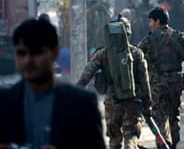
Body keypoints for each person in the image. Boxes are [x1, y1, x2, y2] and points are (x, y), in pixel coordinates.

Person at [0, 19, 106, 149]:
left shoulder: (81, 103)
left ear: (55, 52)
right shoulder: (4, 102)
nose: (28, 60)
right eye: (21, 53)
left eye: (36, 52)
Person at [77, 16, 152, 149]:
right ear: (128, 32)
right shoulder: (137, 53)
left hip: (112, 104)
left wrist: (74, 92)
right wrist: (147, 105)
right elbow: (144, 81)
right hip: (132, 102)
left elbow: (86, 75)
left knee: (114, 140)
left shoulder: (102, 54)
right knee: (131, 138)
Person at [138, 6, 184, 149]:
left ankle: (163, 144)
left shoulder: (148, 40)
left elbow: (137, 58)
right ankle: (173, 144)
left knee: (159, 117)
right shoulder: (178, 36)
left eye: (151, 21)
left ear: (157, 21)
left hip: (157, 85)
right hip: (176, 83)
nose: (149, 25)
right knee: (174, 116)